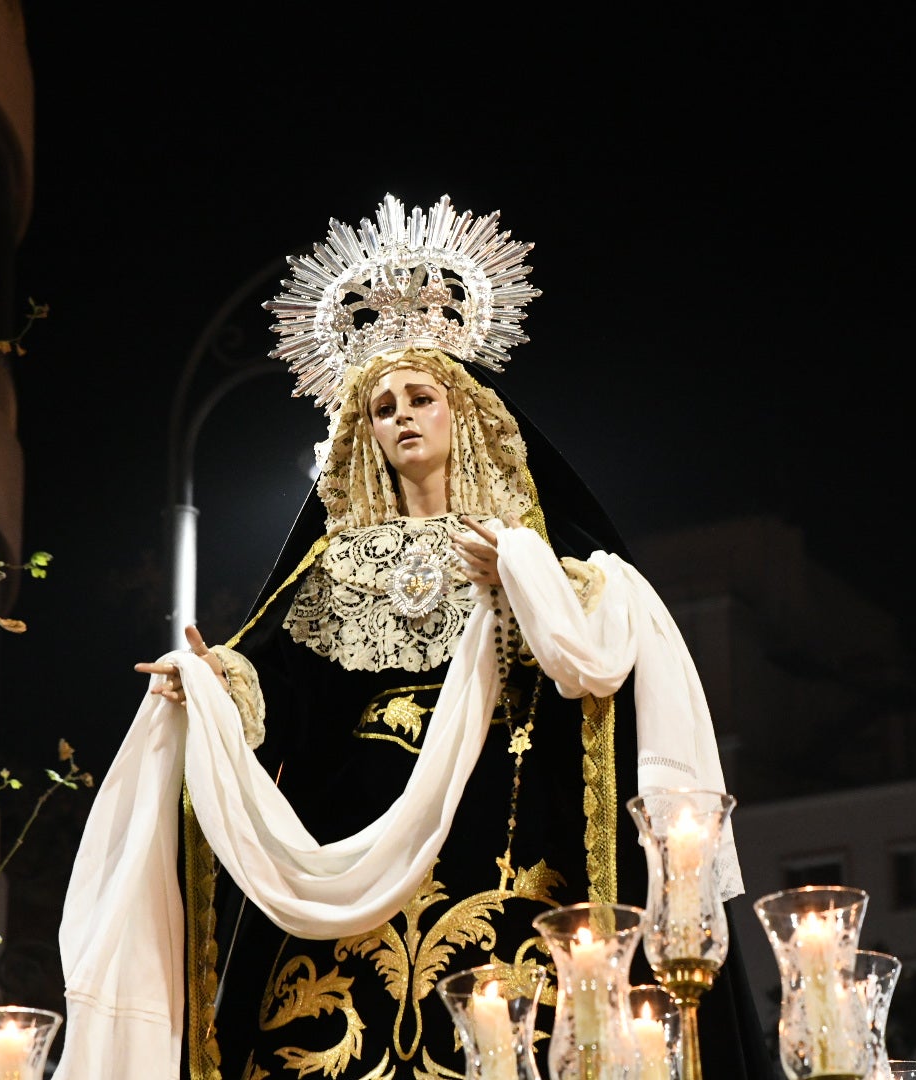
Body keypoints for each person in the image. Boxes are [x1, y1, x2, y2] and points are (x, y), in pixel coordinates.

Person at [52, 195, 770, 1080]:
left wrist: (528, 579)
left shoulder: (534, 553)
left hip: (502, 827)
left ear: (462, 412)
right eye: (382, 405)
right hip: (358, 842)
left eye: (422, 397)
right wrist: (210, 681)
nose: (401, 416)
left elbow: (593, 659)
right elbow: (283, 683)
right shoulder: (336, 566)